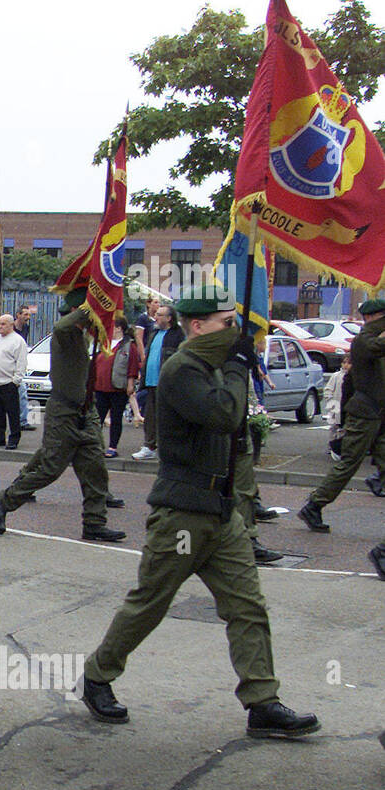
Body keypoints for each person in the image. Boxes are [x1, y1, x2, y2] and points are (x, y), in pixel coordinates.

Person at [80, 284, 320, 739]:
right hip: (183, 514)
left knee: (248, 607)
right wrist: (236, 365)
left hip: (221, 512)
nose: (235, 333)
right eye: (226, 325)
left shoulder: (211, 367)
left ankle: (262, 701)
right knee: (150, 604)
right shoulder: (183, 369)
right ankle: (97, 676)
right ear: (197, 326)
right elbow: (225, 414)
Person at [0, 291, 126, 542]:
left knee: (95, 469)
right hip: (64, 412)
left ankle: (95, 523)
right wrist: (94, 304)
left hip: (86, 411)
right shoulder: (63, 335)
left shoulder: (83, 338)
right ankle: (3, 501)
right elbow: (62, 325)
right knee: (50, 467)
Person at [299, 299, 385, 532]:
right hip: (365, 414)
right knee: (348, 464)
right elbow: (374, 351)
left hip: (378, 414)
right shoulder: (363, 341)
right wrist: (343, 418)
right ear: (371, 318)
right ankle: (315, 504)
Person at [131, 303, 183, 460]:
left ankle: (170, 448)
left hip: (167, 383)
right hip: (151, 382)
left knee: (168, 417)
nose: (156, 316)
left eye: (160, 314)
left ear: (169, 318)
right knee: (151, 416)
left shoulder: (178, 335)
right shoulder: (154, 333)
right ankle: (149, 446)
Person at [94, 314, 141, 458]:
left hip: (118, 388)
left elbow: (132, 366)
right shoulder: (104, 343)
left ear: (119, 328)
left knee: (115, 418)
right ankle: (94, 445)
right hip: (101, 387)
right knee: (97, 419)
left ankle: (112, 447)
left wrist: (130, 384)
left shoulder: (129, 346)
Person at [0, 312, 28, 449]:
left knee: (13, 413)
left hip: (8, 383)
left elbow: (21, 362)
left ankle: (14, 438)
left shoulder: (18, 341)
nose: (0, 326)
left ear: (11, 325)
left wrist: (16, 380)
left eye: (3, 324)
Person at [323, 356, 349, 462]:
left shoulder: (355, 376)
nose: (346, 365)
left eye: (348, 363)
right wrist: (330, 399)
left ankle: (341, 447)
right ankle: (331, 445)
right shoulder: (336, 376)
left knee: (344, 428)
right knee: (333, 426)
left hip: (346, 406)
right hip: (335, 404)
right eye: (344, 363)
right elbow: (328, 389)